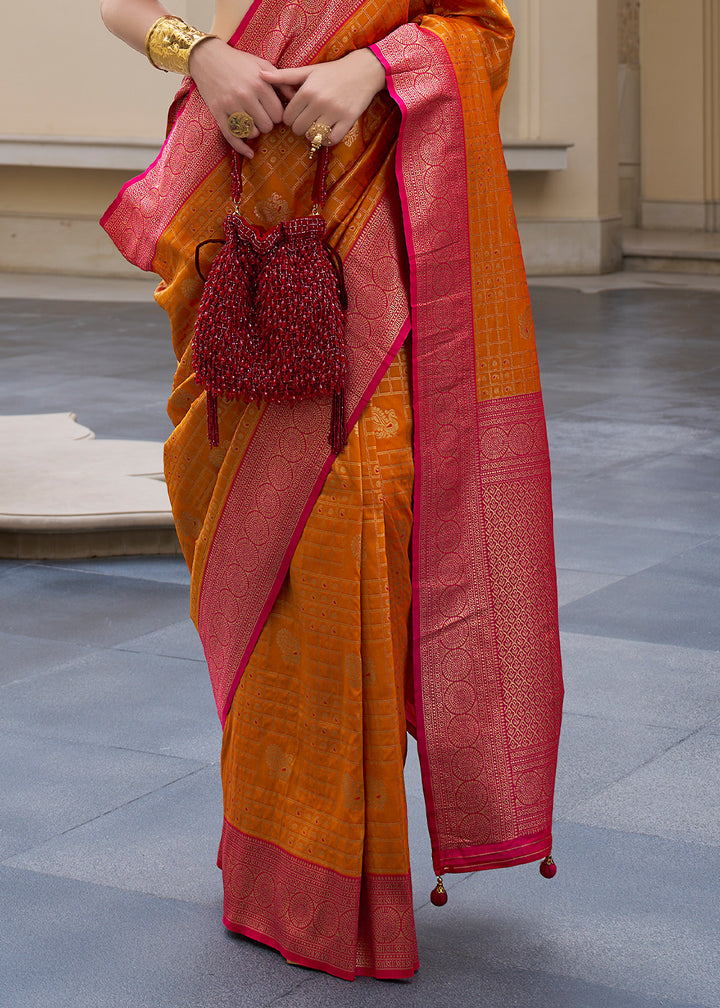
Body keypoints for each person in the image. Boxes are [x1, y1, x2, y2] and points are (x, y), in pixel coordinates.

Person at [100, 0, 564, 981]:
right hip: (245, 251)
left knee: (354, 525)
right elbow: (118, 5)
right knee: (268, 567)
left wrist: (377, 72)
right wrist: (206, 55)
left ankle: (344, 883)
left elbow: (481, 29)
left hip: (378, 277)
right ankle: (275, 864)